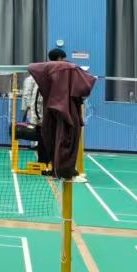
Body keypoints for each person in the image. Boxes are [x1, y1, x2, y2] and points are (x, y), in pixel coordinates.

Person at [29, 48, 95, 179]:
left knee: (53, 140)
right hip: (64, 112)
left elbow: (31, 67)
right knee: (67, 140)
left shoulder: (45, 70)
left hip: (49, 112)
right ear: (60, 58)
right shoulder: (69, 69)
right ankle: (64, 171)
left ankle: (56, 170)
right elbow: (86, 88)